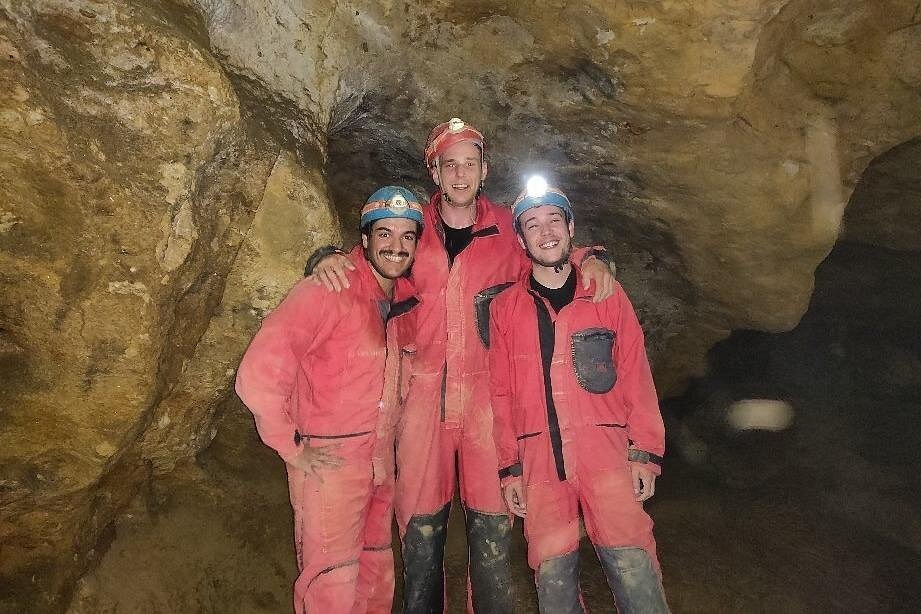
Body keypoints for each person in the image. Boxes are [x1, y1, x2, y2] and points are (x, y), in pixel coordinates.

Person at [306, 118, 615, 613]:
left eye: (470, 164)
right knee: (420, 528)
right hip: (422, 399)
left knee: (491, 528)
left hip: (488, 404)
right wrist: (324, 256)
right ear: (435, 171)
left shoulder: (506, 233)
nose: (460, 174)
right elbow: (369, 260)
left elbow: (550, 248)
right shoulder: (413, 231)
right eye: (450, 164)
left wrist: (594, 258)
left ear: (484, 170)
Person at [236, 186, 423, 614]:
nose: (396, 246)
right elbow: (257, 375)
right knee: (331, 583)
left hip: (378, 462)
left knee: (375, 574)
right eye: (385, 234)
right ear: (365, 238)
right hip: (330, 465)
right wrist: (291, 447)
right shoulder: (328, 290)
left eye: (407, 236)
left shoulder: (401, 303)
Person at [487, 178, 669, 614]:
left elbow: (635, 374)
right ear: (521, 239)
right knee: (554, 581)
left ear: (571, 229)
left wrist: (644, 451)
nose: (545, 231)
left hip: (606, 456)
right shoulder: (505, 309)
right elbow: (500, 393)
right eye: (532, 224)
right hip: (540, 465)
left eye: (554, 220)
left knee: (634, 568)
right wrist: (509, 468)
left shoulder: (605, 294)